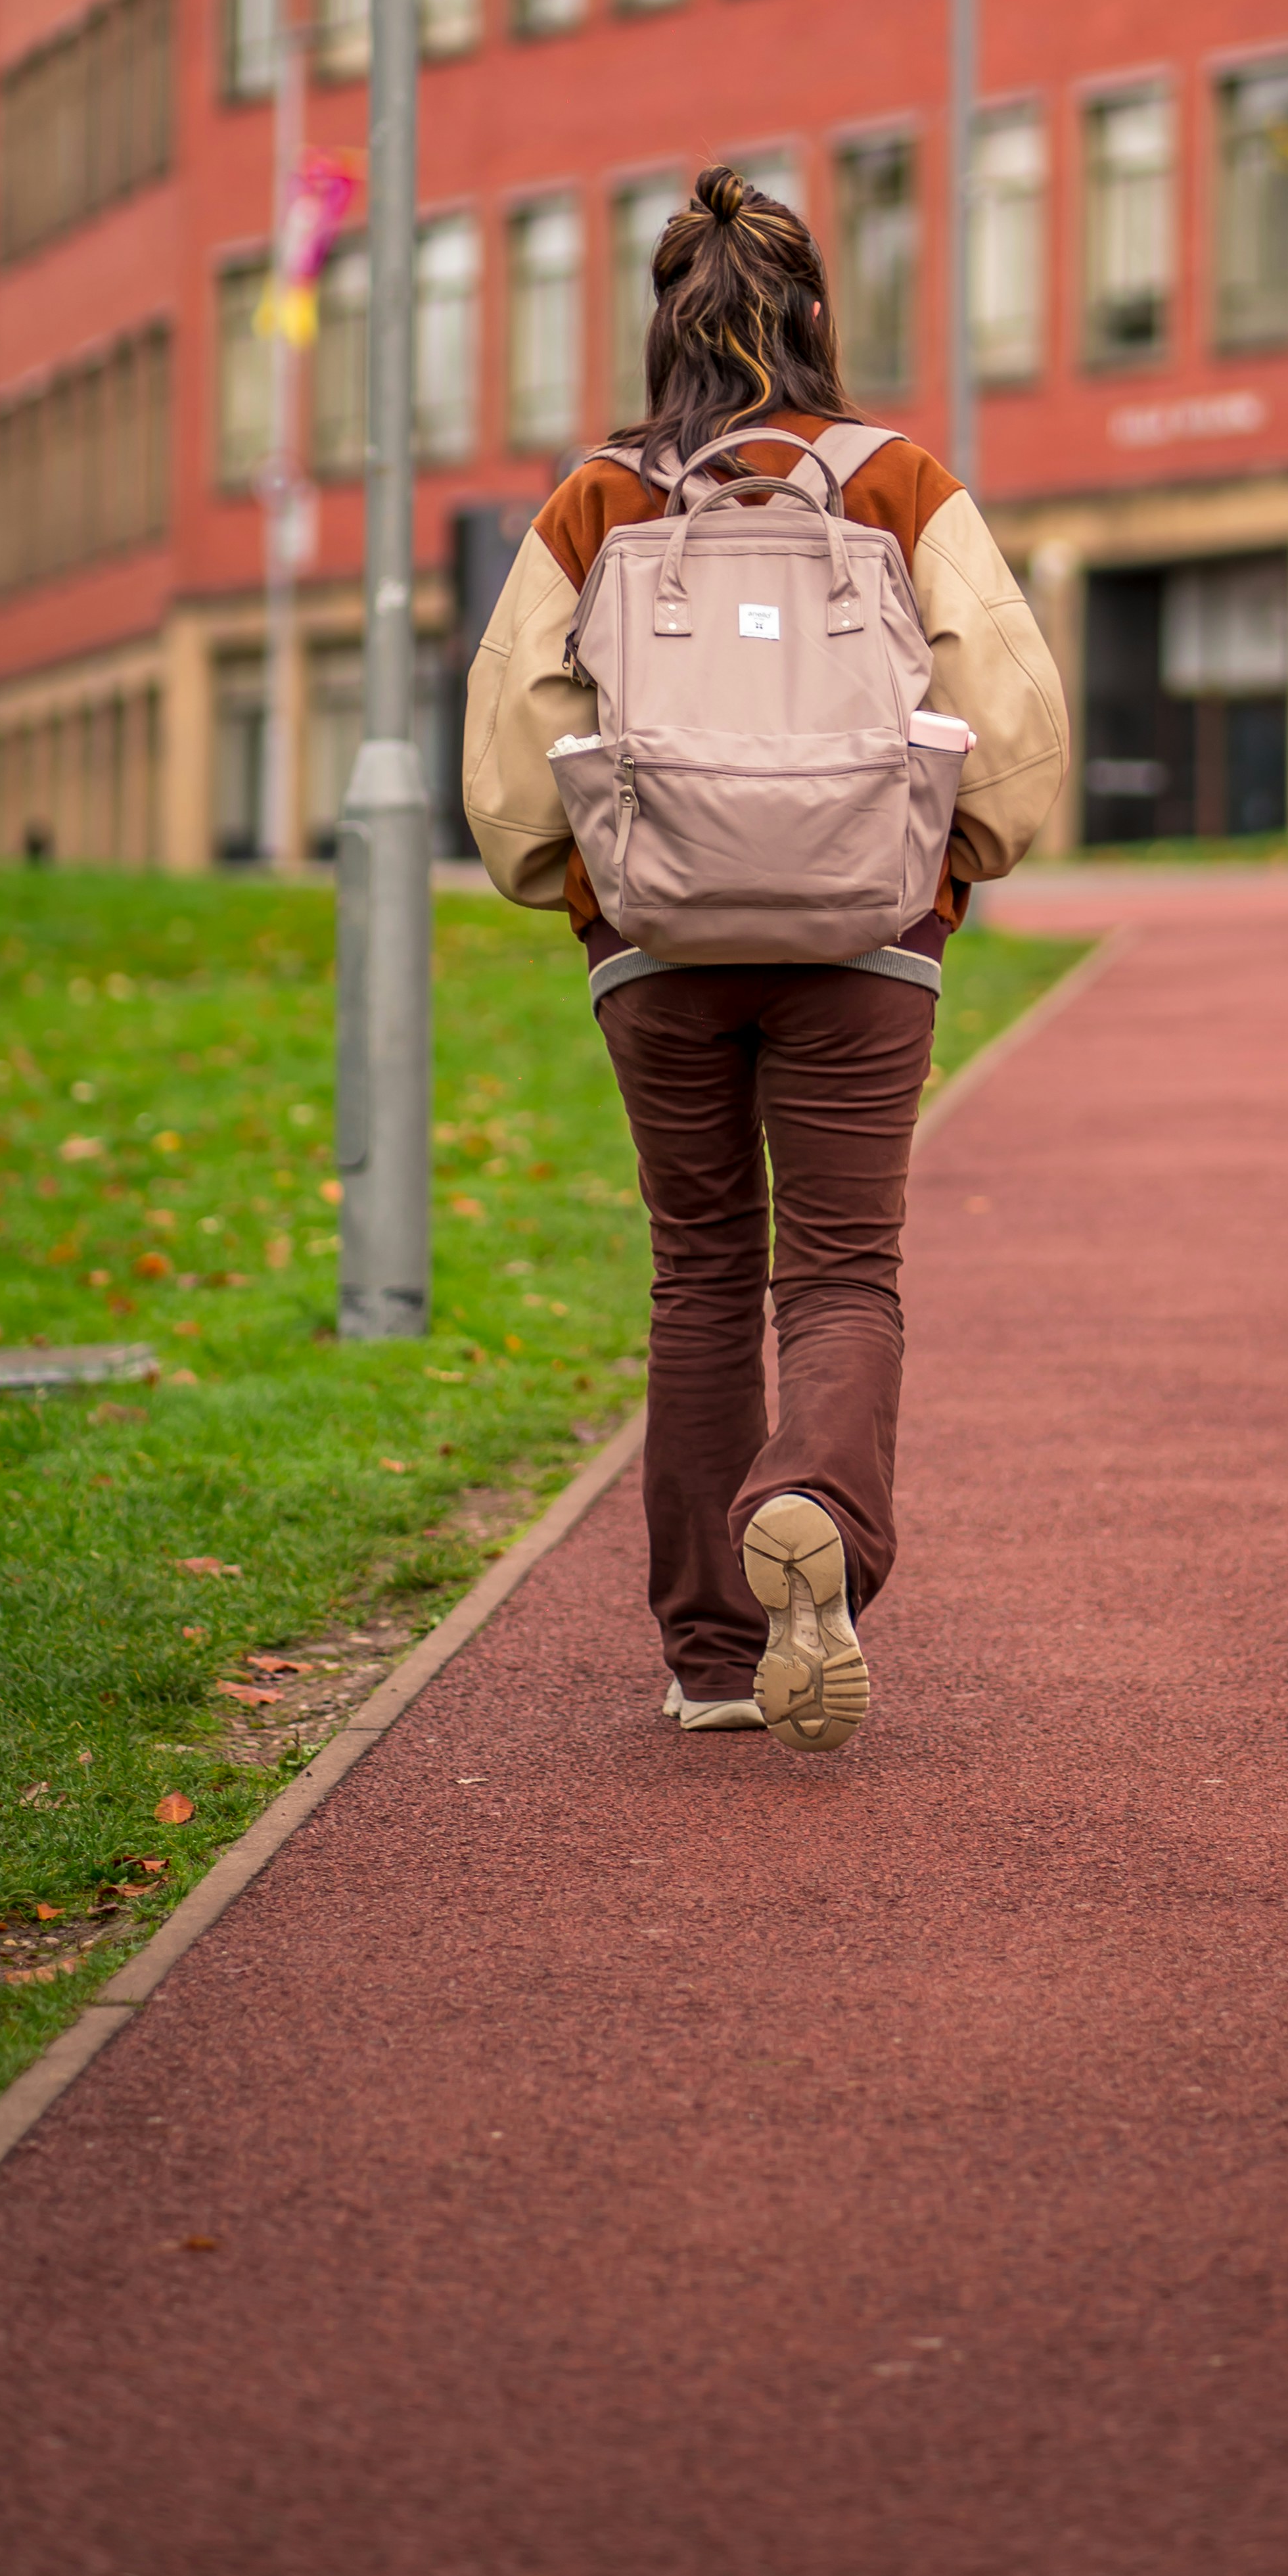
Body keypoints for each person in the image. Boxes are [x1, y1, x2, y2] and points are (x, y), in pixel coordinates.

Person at [462, 169, 1069, 1754]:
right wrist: (948, 868)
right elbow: (1011, 731)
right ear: (813, 315)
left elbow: (517, 762)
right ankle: (811, 1508)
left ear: (661, 322)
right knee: (843, 1271)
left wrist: (583, 890)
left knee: (702, 1272)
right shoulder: (898, 482)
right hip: (865, 935)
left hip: (657, 944)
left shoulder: (593, 502)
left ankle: (716, 1660)